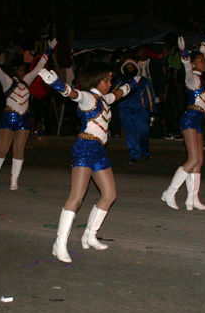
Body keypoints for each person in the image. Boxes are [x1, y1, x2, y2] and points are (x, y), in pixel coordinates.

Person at [39, 64, 138, 263]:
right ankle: (59, 244)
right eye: (106, 80)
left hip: (100, 150)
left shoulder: (105, 98)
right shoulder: (88, 98)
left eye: (110, 80)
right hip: (85, 148)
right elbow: (73, 94)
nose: (109, 84)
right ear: (95, 80)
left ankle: (89, 235)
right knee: (76, 197)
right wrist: (57, 84)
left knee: (109, 195)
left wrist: (134, 82)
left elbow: (119, 94)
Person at [0, 36, 56, 189]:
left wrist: (49, 50)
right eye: (21, 69)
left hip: (24, 119)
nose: (24, 71)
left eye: (24, 69)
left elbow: (39, 68)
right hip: (9, 118)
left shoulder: (27, 80)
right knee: (2, 149)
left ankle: (14, 179)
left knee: (19, 150)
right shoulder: (6, 81)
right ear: (15, 70)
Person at [161, 36, 205, 210]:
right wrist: (184, 55)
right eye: (201, 61)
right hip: (190, 118)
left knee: (199, 161)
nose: (204, 62)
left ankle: (192, 199)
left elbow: (202, 51)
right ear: (194, 63)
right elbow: (188, 67)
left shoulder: (201, 79)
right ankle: (170, 192)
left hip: (198, 121)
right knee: (193, 159)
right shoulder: (192, 79)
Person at [116, 59, 156, 163]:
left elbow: (150, 96)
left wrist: (152, 111)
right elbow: (113, 94)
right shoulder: (121, 80)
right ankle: (134, 155)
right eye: (128, 68)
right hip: (125, 112)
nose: (130, 69)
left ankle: (146, 151)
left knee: (143, 132)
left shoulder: (143, 81)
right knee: (130, 135)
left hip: (140, 112)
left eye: (132, 67)